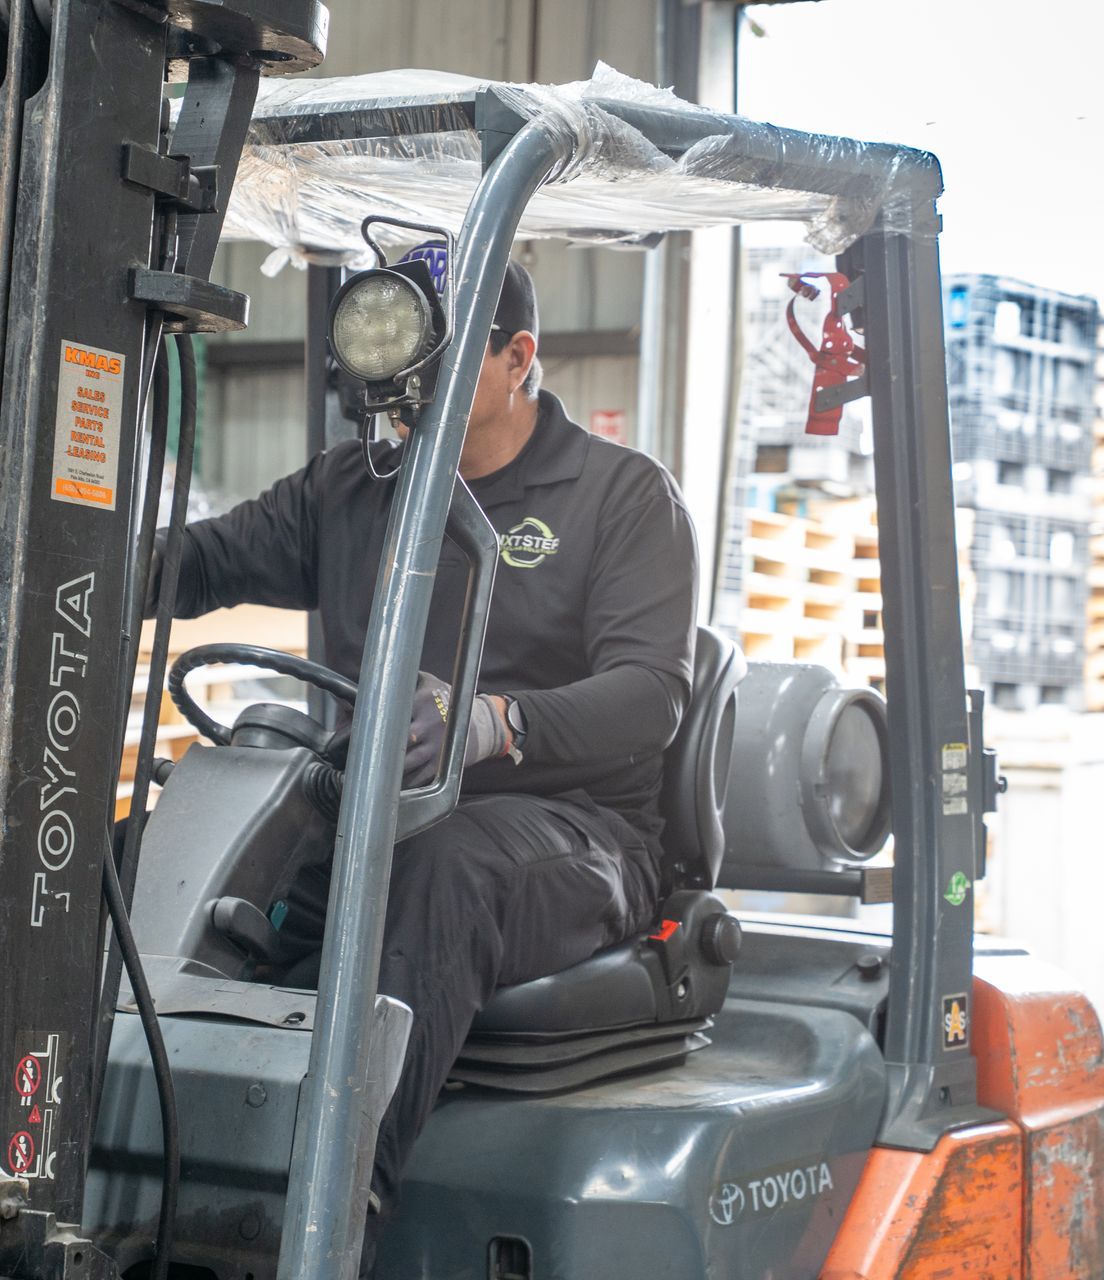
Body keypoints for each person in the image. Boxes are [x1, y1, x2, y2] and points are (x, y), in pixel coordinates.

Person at [156, 253, 698, 1266]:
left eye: (436, 370)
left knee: (438, 868)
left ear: (516, 358)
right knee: (150, 859)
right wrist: (70, 548)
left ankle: (330, 1217)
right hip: (377, 811)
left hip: (574, 832)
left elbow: (650, 696)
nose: (404, 413)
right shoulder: (359, 487)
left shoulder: (619, 497)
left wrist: (494, 722)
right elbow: (211, 558)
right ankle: (139, 1162)